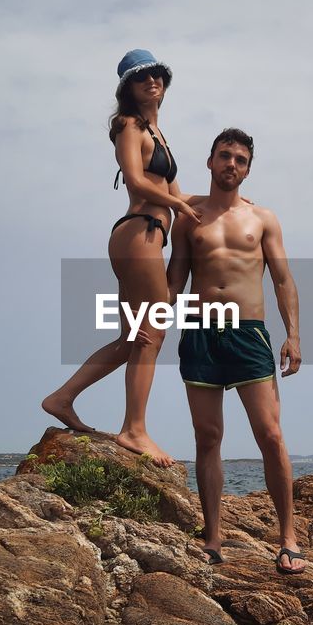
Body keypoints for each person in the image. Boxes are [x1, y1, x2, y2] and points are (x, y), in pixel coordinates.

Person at [42, 50, 201, 466]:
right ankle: (135, 430)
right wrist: (179, 209)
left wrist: (229, 204)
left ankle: (62, 398)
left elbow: (179, 195)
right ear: (128, 88)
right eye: (142, 77)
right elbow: (134, 179)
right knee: (154, 332)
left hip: (144, 235)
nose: (152, 82)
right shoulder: (128, 126)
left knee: (133, 338)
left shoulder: (159, 134)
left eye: (157, 76)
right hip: (140, 233)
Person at [166, 128, 306, 575]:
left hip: (248, 334)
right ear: (209, 162)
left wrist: (294, 336)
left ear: (247, 169)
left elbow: (283, 280)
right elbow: (174, 277)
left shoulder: (262, 218)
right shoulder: (188, 218)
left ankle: (288, 539)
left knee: (270, 434)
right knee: (207, 438)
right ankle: (211, 539)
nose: (231, 164)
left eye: (240, 159)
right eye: (224, 156)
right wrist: (148, 319)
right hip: (201, 331)